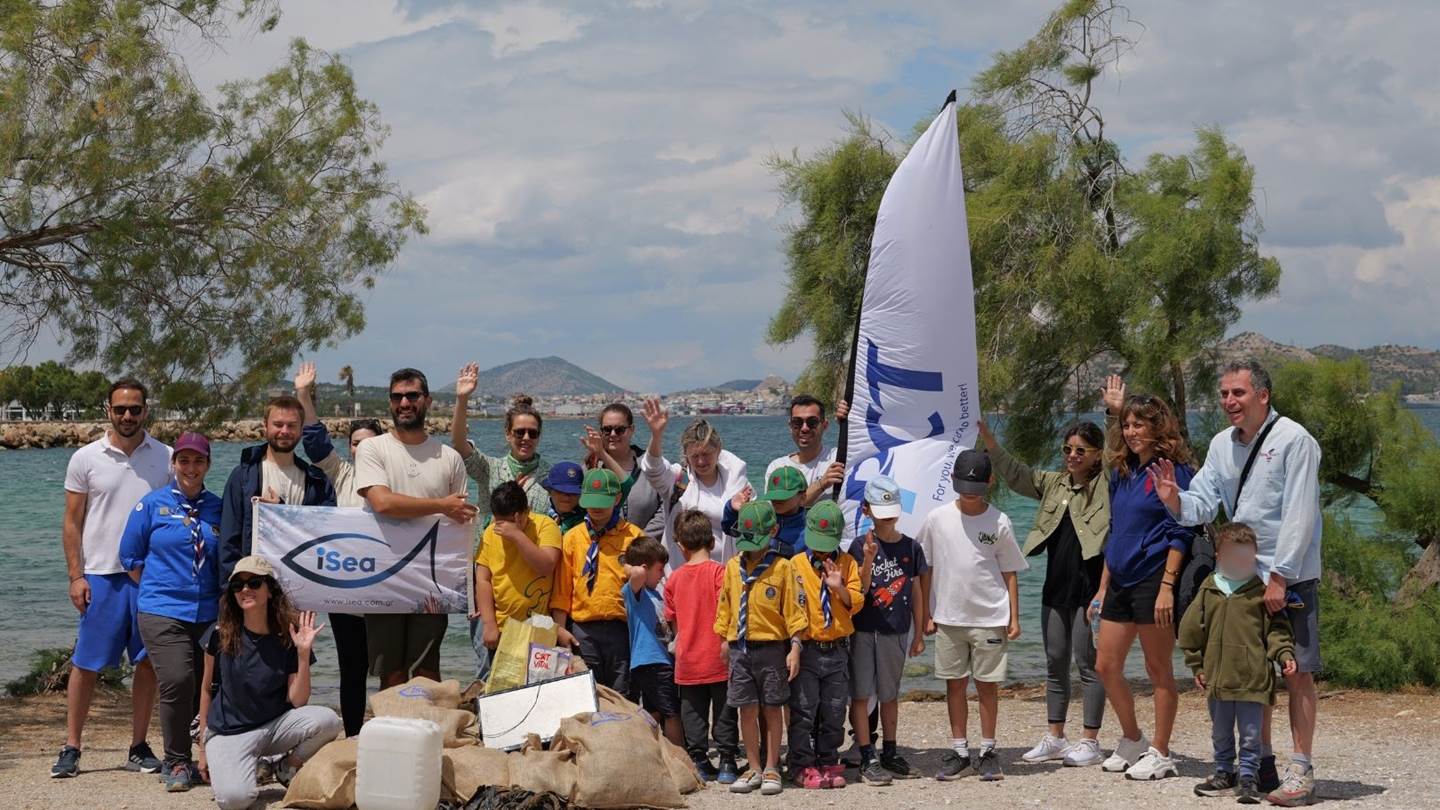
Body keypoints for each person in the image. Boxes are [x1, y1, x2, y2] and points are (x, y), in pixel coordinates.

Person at [1149, 360, 1323, 806]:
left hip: (1289, 576)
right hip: (1242, 577)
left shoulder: (1294, 441)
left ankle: (1300, 768)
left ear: (1263, 395)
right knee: (1253, 671)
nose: (1229, 401)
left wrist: (1280, 575)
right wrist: (1174, 499)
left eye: (1238, 393)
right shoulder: (1222, 445)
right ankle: (1259, 766)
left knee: (1297, 670)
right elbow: (1203, 503)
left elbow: (1299, 515)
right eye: (1225, 394)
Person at [52, 379, 171, 780]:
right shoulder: (85, 458)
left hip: (150, 579)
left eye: (134, 409)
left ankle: (138, 746)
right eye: (120, 409)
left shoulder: (166, 457)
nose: (127, 416)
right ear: (108, 410)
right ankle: (71, 747)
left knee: (148, 664)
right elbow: (72, 522)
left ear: (145, 410)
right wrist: (75, 576)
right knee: (86, 664)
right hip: (100, 576)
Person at [979, 416, 1111, 767]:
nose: (1072, 455)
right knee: (1055, 662)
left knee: (1088, 664)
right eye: (1067, 449)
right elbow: (1017, 473)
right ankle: (1055, 737)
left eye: (1080, 450)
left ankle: (1090, 742)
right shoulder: (1055, 484)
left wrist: (1113, 415)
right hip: (1055, 588)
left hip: (1089, 591)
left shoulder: (1106, 486)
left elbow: (1119, 457)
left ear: (1097, 454)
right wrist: (991, 443)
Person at [1093, 387, 1197, 781]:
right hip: (1119, 578)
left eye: (1140, 424)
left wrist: (1168, 587)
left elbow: (1181, 531)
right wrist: (1102, 587)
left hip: (1155, 580)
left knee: (1158, 670)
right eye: (1128, 424)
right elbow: (1117, 530)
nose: (1132, 431)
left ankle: (1161, 751)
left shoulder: (1173, 471)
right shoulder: (1123, 471)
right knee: (1106, 664)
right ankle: (1133, 738)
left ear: (1158, 427)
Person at [355, 367, 476, 687]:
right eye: (397, 397)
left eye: (412, 395)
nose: (404, 402)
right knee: (390, 673)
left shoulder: (450, 457)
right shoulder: (372, 448)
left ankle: (428, 733)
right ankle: (390, 735)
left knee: (427, 672)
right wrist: (440, 505)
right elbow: (382, 503)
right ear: (390, 403)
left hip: (432, 581)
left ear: (428, 401)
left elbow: (459, 520)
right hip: (382, 577)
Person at [118, 431, 223, 792]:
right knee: (178, 679)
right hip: (162, 610)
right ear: (174, 464)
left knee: (208, 686)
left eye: (198, 461)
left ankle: (211, 756)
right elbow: (130, 558)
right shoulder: (150, 505)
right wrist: (164, 587)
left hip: (209, 612)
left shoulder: (219, 507)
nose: (190, 468)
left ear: (208, 465)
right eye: (184, 460)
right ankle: (176, 761)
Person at [198, 556, 342, 810]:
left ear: (270, 590)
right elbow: (207, 689)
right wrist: (202, 748)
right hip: (229, 731)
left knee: (328, 720)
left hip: (274, 727)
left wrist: (303, 654)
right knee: (235, 800)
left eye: (254, 582)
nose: (245, 590)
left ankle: (286, 767)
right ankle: (249, 766)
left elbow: (298, 700)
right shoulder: (220, 633)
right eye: (238, 586)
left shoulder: (288, 635)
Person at [918, 449, 1026, 783]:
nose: (969, 493)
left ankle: (989, 750)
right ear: (952, 481)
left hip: (990, 616)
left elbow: (1009, 571)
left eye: (976, 487)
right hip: (949, 616)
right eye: (964, 485)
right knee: (955, 684)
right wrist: (926, 613)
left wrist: (1015, 617)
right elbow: (926, 568)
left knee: (987, 686)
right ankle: (960, 751)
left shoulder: (1000, 521)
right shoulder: (937, 519)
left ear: (990, 482)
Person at [294, 360, 382, 738]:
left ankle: (389, 735)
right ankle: (353, 738)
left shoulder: (394, 482)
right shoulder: (342, 475)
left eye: (369, 443)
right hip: (347, 599)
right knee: (351, 670)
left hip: (387, 595)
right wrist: (304, 396)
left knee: (391, 671)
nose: (362, 448)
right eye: (356, 443)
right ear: (349, 448)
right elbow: (314, 442)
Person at [1180, 523, 1297, 804]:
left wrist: (1284, 655)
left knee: (1251, 733)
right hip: (1217, 680)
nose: (1241, 562)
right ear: (1219, 555)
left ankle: (1248, 776)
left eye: (1247, 557)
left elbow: (1277, 630)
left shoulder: (1261, 591)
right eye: (1234, 556)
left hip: (1253, 679)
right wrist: (1197, 666)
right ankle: (1223, 772)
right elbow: (1190, 630)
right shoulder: (1209, 589)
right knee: (1220, 731)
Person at [714, 501, 807, 796]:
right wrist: (723, 640)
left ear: (774, 531)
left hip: (771, 649)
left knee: (772, 708)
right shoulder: (732, 567)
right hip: (740, 649)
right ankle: (752, 766)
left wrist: (794, 647)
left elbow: (793, 609)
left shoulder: (782, 567)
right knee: (746, 709)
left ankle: (771, 766)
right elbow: (726, 605)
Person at [847, 475, 928, 785]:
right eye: (880, 513)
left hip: (896, 630)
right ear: (866, 511)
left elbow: (917, 590)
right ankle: (866, 753)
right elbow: (862, 590)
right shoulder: (859, 545)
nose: (887, 519)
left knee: (890, 694)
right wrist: (867, 559)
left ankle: (890, 751)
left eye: (891, 511)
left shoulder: (911, 547)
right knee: (861, 692)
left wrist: (919, 632)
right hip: (865, 629)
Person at [219, 394, 337, 583]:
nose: (284, 431)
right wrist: (230, 590)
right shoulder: (242, 477)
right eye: (278, 424)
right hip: (253, 587)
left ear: (301, 428)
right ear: (265, 425)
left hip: (299, 585)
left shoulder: (317, 481)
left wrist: (281, 511)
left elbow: (324, 537)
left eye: (291, 425)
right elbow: (228, 541)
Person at [787, 500, 862, 790]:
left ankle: (828, 758)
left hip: (837, 649)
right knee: (804, 709)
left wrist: (838, 587)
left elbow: (856, 603)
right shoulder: (795, 565)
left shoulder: (847, 563)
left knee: (834, 709)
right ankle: (802, 764)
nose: (821, 550)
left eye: (826, 544)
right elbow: (791, 607)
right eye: (816, 544)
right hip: (807, 648)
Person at [550, 468, 644, 693]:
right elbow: (562, 588)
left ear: (618, 498)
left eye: (603, 501)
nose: (597, 507)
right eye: (591, 501)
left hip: (621, 628)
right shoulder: (572, 538)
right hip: (583, 629)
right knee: (586, 693)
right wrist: (560, 629)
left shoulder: (634, 537)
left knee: (622, 694)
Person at [664, 509, 739, 784]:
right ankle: (728, 761)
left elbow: (672, 622)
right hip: (719, 655)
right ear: (712, 542)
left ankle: (699, 760)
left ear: (681, 546)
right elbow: (728, 612)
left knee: (693, 715)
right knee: (725, 713)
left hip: (688, 658)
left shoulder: (673, 579)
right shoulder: (721, 573)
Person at [640, 397, 750, 569]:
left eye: (706, 454)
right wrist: (656, 435)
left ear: (718, 450)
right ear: (686, 455)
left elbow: (752, 525)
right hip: (683, 576)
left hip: (725, 576)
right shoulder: (678, 480)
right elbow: (653, 469)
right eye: (694, 456)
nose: (700, 462)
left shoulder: (737, 482)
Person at [471, 481, 563, 680]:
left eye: (510, 522)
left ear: (525, 512)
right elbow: (483, 579)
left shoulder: (545, 526)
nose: (502, 528)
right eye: (499, 522)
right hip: (500, 625)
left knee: (533, 684)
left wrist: (518, 536)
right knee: (491, 682)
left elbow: (546, 566)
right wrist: (489, 625)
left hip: (536, 628)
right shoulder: (490, 532)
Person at [451, 363, 552, 522]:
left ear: (539, 436)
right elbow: (459, 445)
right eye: (519, 432)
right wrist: (462, 399)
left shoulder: (550, 476)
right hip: (491, 545)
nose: (526, 438)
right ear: (508, 434)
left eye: (532, 433)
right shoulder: (490, 469)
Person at [622, 535, 685, 746]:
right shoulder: (634, 591)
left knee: (655, 713)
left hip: (661, 660)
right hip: (651, 661)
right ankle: (681, 758)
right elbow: (638, 573)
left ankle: (654, 753)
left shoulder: (655, 594)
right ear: (643, 567)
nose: (662, 575)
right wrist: (627, 566)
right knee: (672, 712)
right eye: (659, 569)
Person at [582, 402, 666, 535]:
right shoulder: (590, 469)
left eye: (620, 429)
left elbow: (665, 506)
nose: (613, 434)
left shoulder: (650, 465)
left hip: (647, 550)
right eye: (607, 429)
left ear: (631, 429)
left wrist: (639, 542)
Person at [765, 395, 849, 507]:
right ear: (790, 426)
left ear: (824, 425)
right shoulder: (778, 467)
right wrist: (822, 484)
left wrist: (849, 422)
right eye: (797, 422)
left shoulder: (839, 458)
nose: (804, 428)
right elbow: (779, 509)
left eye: (812, 422)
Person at [721, 465, 808, 556]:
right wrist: (733, 510)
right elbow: (730, 530)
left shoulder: (808, 533)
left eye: (783, 496)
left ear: (802, 498)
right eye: (774, 496)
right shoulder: (761, 517)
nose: (777, 500)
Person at [542, 461, 587, 532]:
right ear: (550, 491)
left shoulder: (590, 520)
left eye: (573, 493)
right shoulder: (538, 514)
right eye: (561, 491)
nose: (567, 497)